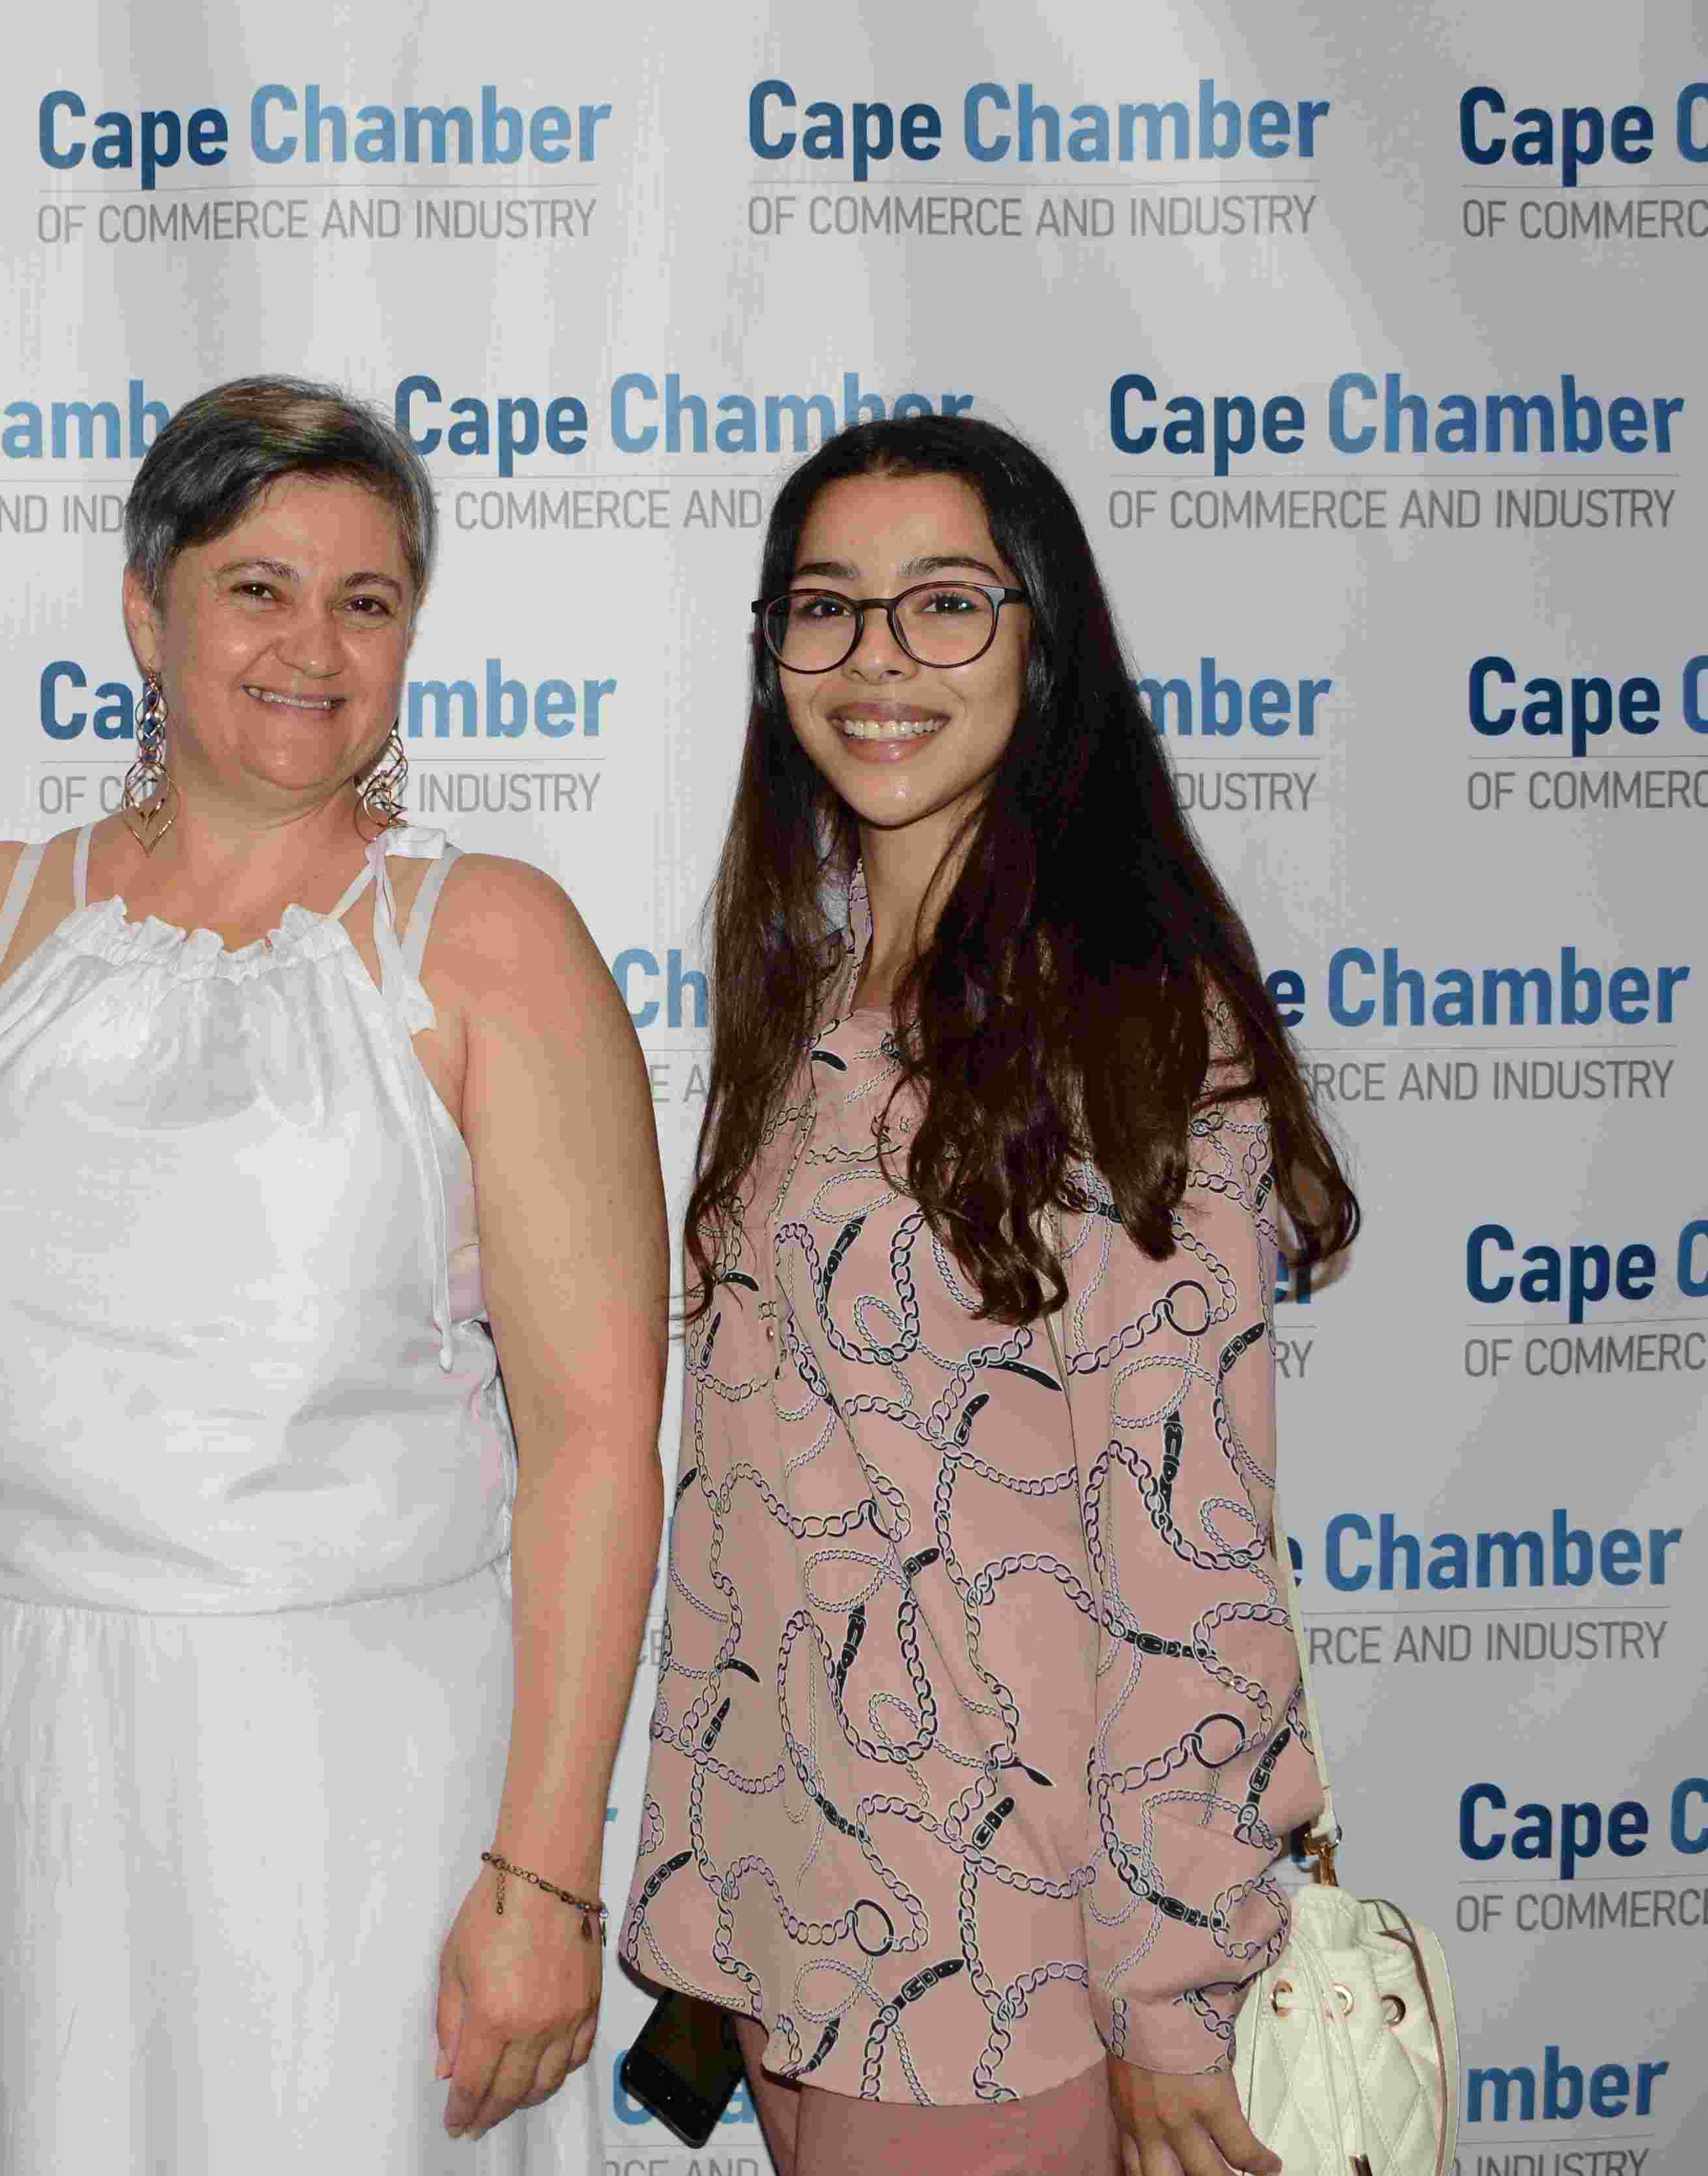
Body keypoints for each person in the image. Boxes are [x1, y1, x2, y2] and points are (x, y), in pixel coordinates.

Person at [0, 375, 668, 2170]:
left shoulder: (496, 944)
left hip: (356, 1799)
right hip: (7, 1770)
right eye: (258, 587)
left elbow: (593, 1438)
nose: (312, 647)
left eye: (366, 600)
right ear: (144, 611)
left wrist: (548, 1871)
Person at [622, 413, 1357, 2176]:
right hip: (800, 1936)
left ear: (1044, 643)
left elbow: (1188, 1551)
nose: (877, 658)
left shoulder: (1126, 1030)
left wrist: (1172, 1992)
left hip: (1002, 1971)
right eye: (827, 606)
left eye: (944, 602)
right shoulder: (811, 1005)